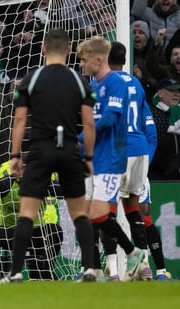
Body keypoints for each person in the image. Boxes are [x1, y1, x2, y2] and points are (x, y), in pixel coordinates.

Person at [0, 28, 98, 283]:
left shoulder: (29, 80)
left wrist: (15, 155)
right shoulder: (79, 80)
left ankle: (16, 272)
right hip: (68, 149)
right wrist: (88, 157)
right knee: (79, 213)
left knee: (27, 213)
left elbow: (19, 120)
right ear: (68, 50)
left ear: (43, 49)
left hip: (40, 150)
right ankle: (89, 269)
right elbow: (88, 124)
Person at [77, 36, 149, 281]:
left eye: (84, 60)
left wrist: (79, 136)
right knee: (88, 215)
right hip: (96, 157)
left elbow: (109, 118)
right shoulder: (95, 86)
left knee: (98, 214)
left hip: (112, 158)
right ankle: (95, 268)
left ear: (98, 59)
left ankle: (127, 254)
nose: (81, 65)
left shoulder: (116, 83)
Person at [101, 42, 156, 280]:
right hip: (140, 147)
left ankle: (112, 269)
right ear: (125, 60)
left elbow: (105, 120)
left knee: (106, 210)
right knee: (133, 208)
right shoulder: (136, 83)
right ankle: (143, 266)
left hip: (120, 149)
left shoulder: (104, 82)